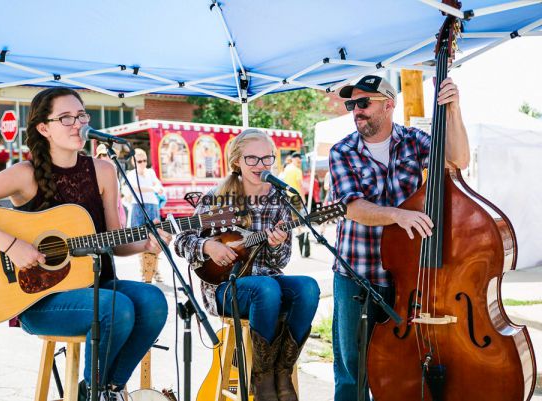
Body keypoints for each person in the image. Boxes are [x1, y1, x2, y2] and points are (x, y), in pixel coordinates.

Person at [0, 87, 171, 401]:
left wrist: (146, 242)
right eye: (65, 118)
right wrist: (11, 246)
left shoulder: (104, 171)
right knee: (114, 307)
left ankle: (106, 389)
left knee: (153, 300)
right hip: (38, 300)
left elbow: (114, 242)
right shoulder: (25, 174)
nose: (77, 123)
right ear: (43, 128)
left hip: (98, 285)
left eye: (80, 115)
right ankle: (94, 392)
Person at [329, 74, 469, 401]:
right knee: (353, 371)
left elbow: (458, 160)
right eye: (352, 104)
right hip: (356, 275)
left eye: (364, 103)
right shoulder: (342, 150)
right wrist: (397, 214)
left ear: (389, 104)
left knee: (399, 366)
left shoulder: (413, 141)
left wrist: (454, 109)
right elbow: (354, 208)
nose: (356, 111)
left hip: (405, 278)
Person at [175, 129, 320, 401]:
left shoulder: (279, 200)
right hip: (224, 289)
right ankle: (261, 377)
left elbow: (282, 262)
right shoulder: (216, 198)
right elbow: (182, 240)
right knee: (265, 289)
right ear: (237, 161)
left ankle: (282, 371)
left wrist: (276, 245)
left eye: (267, 159)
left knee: (308, 288)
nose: (261, 166)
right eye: (252, 159)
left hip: (268, 285)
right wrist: (208, 246)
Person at [124, 148, 165, 283]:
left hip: (152, 206)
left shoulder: (151, 172)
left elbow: (159, 186)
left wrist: (157, 188)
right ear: (133, 162)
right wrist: (153, 188)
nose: (142, 163)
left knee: (155, 239)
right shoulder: (131, 174)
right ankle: (144, 271)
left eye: (144, 160)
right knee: (140, 240)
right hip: (138, 207)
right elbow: (134, 188)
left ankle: (155, 269)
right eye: (139, 161)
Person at [95, 144, 127, 228]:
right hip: (105, 212)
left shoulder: (115, 170)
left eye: (109, 154)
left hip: (117, 208)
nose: (107, 157)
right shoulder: (97, 172)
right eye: (104, 155)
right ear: (99, 157)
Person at [281, 152, 306, 253]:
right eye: (299, 161)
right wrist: (303, 197)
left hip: (287, 195)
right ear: (296, 159)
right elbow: (300, 185)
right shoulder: (297, 170)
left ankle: (293, 232)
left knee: (290, 215)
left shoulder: (287, 168)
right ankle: (299, 231)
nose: (299, 162)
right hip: (295, 196)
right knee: (297, 216)